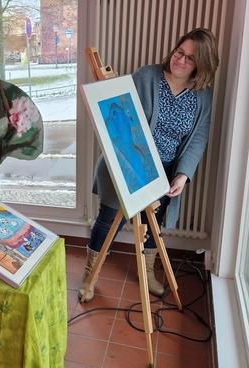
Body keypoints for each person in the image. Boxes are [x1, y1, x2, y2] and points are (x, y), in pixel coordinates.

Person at [79, 28, 219, 303]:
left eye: (190, 58)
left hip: (164, 172)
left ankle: (149, 271)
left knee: (154, 226)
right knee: (108, 222)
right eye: (180, 51)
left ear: (201, 65)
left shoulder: (203, 96)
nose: (180, 60)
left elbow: (198, 138)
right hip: (125, 166)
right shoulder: (147, 76)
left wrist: (182, 175)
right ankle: (90, 274)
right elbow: (119, 113)